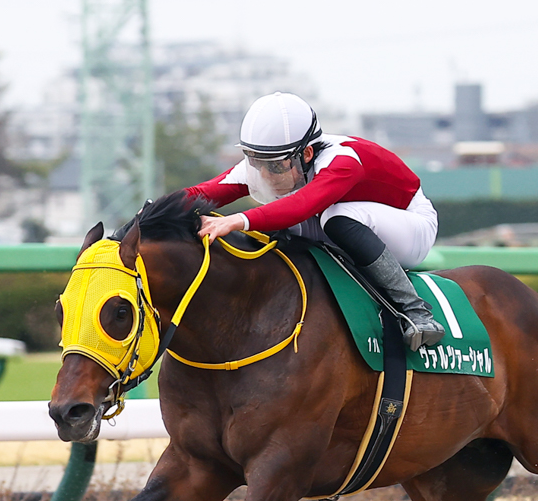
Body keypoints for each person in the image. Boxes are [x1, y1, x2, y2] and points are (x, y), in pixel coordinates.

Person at [186, 92, 444, 351]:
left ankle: (416, 310)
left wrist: (237, 220)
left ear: (307, 153)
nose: (265, 174)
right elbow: (201, 194)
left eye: (275, 166)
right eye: (256, 162)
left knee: (335, 217)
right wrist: (151, 214)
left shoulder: (343, 162)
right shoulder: (280, 157)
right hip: (349, 220)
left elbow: (301, 206)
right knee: (276, 226)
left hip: (412, 224)